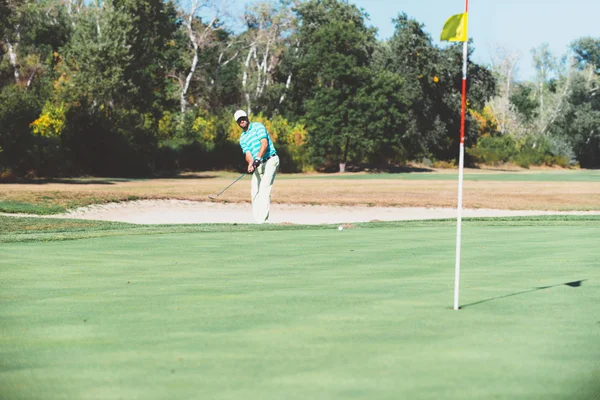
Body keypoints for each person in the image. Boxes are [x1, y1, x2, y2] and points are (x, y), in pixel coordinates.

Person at [234, 110, 280, 223]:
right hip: (258, 164)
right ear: (237, 122)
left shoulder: (258, 126)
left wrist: (258, 158)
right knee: (254, 191)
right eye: (239, 120)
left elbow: (264, 143)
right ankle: (257, 221)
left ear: (247, 117)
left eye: (243, 118)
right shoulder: (242, 138)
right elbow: (248, 154)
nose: (242, 121)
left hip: (270, 160)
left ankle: (263, 221)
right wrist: (250, 163)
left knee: (264, 188)